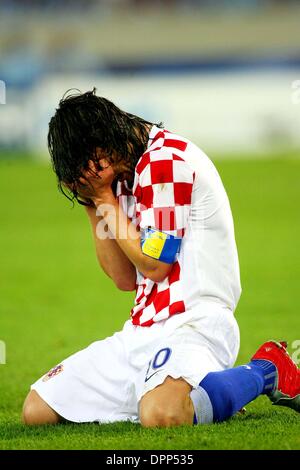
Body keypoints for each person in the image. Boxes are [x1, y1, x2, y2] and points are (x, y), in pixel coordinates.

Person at [22, 89, 299, 426]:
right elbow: (124, 278)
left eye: (88, 162)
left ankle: (267, 369)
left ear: (105, 138)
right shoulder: (115, 179)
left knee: (161, 415)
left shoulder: (163, 161)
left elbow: (155, 265)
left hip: (194, 322)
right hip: (140, 331)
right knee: (38, 410)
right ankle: (202, 394)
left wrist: (105, 200)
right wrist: (93, 203)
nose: (90, 174)